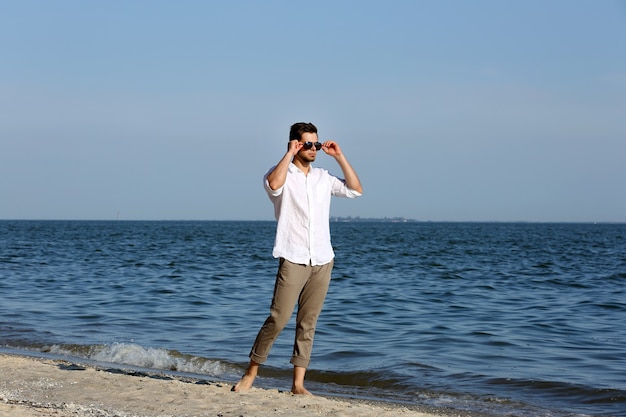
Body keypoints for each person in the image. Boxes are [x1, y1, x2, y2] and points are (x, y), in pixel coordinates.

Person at [232, 122, 363, 395]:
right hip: (293, 257)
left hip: (323, 259)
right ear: (295, 143)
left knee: (308, 322)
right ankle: (251, 372)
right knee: (278, 319)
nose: (314, 149)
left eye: (316, 144)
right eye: (308, 144)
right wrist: (289, 155)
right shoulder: (280, 173)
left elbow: (355, 189)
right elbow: (274, 186)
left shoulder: (323, 177)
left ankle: (298, 384)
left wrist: (339, 156)